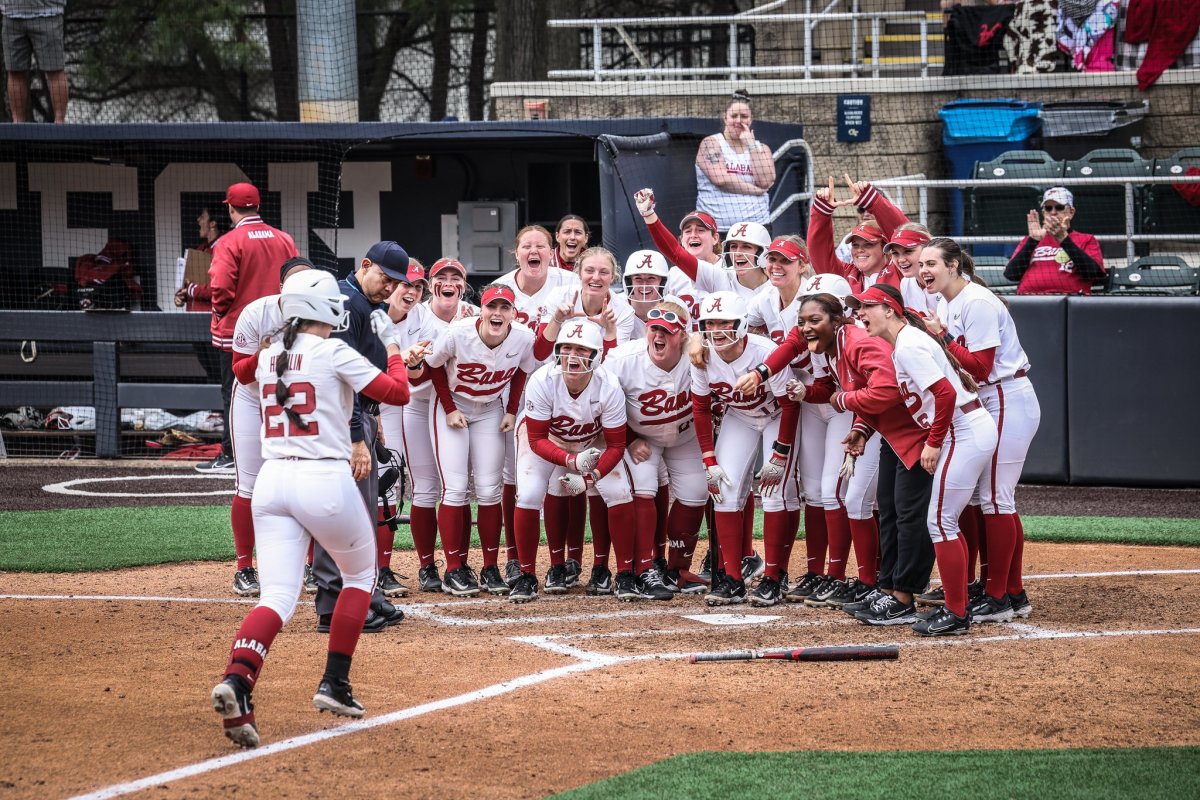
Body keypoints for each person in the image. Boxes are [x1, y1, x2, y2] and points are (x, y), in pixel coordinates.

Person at [209, 269, 413, 749]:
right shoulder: (335, 350)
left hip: (274, 482)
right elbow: (398, 392)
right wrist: (394, 344)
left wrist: (270, 350)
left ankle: (238, 682)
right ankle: (334, 683)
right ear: (324, 310)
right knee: (362, 577)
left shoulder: (266, 358)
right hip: (323, 478)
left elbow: (242, 368)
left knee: (276, 598)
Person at [846, 283, 998, 636]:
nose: (860, 314)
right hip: (963, 429)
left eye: (867, 307)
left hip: (964, 429)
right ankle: (957, 609)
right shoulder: (905, 342)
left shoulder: (909, 343)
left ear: (889, 310)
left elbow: (944, 395)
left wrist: (932, 442)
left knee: (940, 521)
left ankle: (957, 613)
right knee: (942, 521)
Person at [918, 238, 1040, 622]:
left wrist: (942, 336)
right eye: (921, 264)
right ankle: (1011, 591)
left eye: (932, 263)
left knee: (996, 498)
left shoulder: (977, 302)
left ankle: (999, 595)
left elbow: (982, 368)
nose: (924, 270)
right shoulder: (945, 301)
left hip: (1005, 395)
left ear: (954, 265)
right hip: (986, 399)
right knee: (986, 497)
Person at [309, 240, 417, 633]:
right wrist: (357, 435)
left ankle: (365, 593)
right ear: (365, 264)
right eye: (385, 279)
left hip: (362, 417)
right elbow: (342, 379)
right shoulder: (343, 303)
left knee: (361, 513)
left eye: (396, 283)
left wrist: (373, 420)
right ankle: (331, 604)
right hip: (343, 422)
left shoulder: (366, 305)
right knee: (340, 512)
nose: (391, 288)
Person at [422, 284, 539, 596]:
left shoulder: (523, 336)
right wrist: (448, 408)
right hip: (453, 404)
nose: (497, 313)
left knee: (489, 490)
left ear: (514, 313)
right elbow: (433, 367)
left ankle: (489, 567)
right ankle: (453, 569)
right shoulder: (458, 332)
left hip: (489, 408)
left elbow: (522, 372)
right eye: (491, 307)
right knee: (456, 488)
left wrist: (512, 410)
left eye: (504, 308)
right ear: (481, 309)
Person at [690, 291, 800, 607]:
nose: (717, 330)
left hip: (777, 415)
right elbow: (700, 408)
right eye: (710, 323)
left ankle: (774, 577)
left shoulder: (764, 352)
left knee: (774, 492)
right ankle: (732, 577)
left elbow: (789, 405)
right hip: (741, 417)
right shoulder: (702, 355)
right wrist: (709, 459)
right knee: (722, 489)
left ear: (741, 325)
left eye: (724, 322)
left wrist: (779, 455)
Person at [511, 320, 632, 603]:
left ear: (596, 355)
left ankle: (620, 571)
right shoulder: (543, 380)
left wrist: (590, 476)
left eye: (581, 349)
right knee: (529, 493)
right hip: (547, 439)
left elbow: (616, 444)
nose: (571, 355)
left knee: (618, 491)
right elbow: (537, 438)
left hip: (594, 439)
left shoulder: (608, 385)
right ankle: (528, 574)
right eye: (565, 348)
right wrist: (569, 460)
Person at [379, 258, 477, 594]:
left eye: (456, 277)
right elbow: (414, 374)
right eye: (438, 278)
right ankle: (417, 567)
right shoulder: (416, 315)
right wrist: (411, 361)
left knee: (455, 484)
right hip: (412, 404)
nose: (413, 290)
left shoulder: (474, 315)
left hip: (449, 404)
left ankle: (459, 563)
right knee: (418, 486)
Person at [224, 256, 317, 599]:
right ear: (281, 288)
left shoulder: (321, 315)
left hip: (295, 400)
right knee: (248, 484)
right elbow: (240, 372)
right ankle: (244, 568)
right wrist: (261, 355)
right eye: (293, 282)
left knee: (305, 481)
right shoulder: (257, 313)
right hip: (252, 397)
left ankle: (309, 564)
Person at [606, 299, 710, 598]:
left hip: (686, 435)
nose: (658, 336)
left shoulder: (700, 355)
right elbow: (602, 401)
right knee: (644, 486)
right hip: (642, 437)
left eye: (668, 330)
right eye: (653, 329)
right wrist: (627, 438)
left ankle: (676, 570)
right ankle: (644, 567)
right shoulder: (623, 359)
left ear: (683, 336)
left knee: (695, 493)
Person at [199, 182, 299, 474]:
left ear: (230, 208)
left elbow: (220, 287)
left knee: (236, 392)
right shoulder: (284, 239)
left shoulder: (230, 241)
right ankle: (281, 447)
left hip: (238, 332)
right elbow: (297, 276)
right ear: (258, 206)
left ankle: (232, 453)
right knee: (282, 386)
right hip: (281, 329)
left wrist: (220, 312)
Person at [809, 175, 909, 293]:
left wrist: (873, 201)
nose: (859, 250)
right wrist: (821, 212)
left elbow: (905, 234)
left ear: (885, 248)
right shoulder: (846, 274)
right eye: (855, 245)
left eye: (868, 244)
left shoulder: (901, 270)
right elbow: (819, 252)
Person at [694, 89, 776, 230]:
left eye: (744, 116)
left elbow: (765, 181)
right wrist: (755, 191)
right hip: (718, 229)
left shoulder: (761, 148)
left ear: (750, 119)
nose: (739, 121)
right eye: (734, 116)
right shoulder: (711, 143)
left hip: (757, 227)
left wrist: (751, 146)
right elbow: (721, 179)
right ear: (725, 117)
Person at [1004, 187, 1105, 295]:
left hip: (1070, 301)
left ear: (1071, 212)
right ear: (1043, 212)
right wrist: (1033, 241)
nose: (1053, 212)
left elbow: (1093, 273)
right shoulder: (1031, 240)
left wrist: (1063, 239)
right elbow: (1011, 275)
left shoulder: (1086, 239)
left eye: (1059, 207)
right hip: (1029, 300)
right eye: (1048, 208)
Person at [2, 0, 67, 123]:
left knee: (55, 70)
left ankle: (60, 124)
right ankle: (17, 125)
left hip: (48, 14)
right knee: (15, 71)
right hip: (11, 15)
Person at [174, 206, 227, 313]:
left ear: (212, 224)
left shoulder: (225, 250)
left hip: (213, 319)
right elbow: (189, 285)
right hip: (193, 319)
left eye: (202, 217)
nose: (198, 220)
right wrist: (182, 296)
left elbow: (221, 289)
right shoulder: (200, 250)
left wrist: (191, 289)